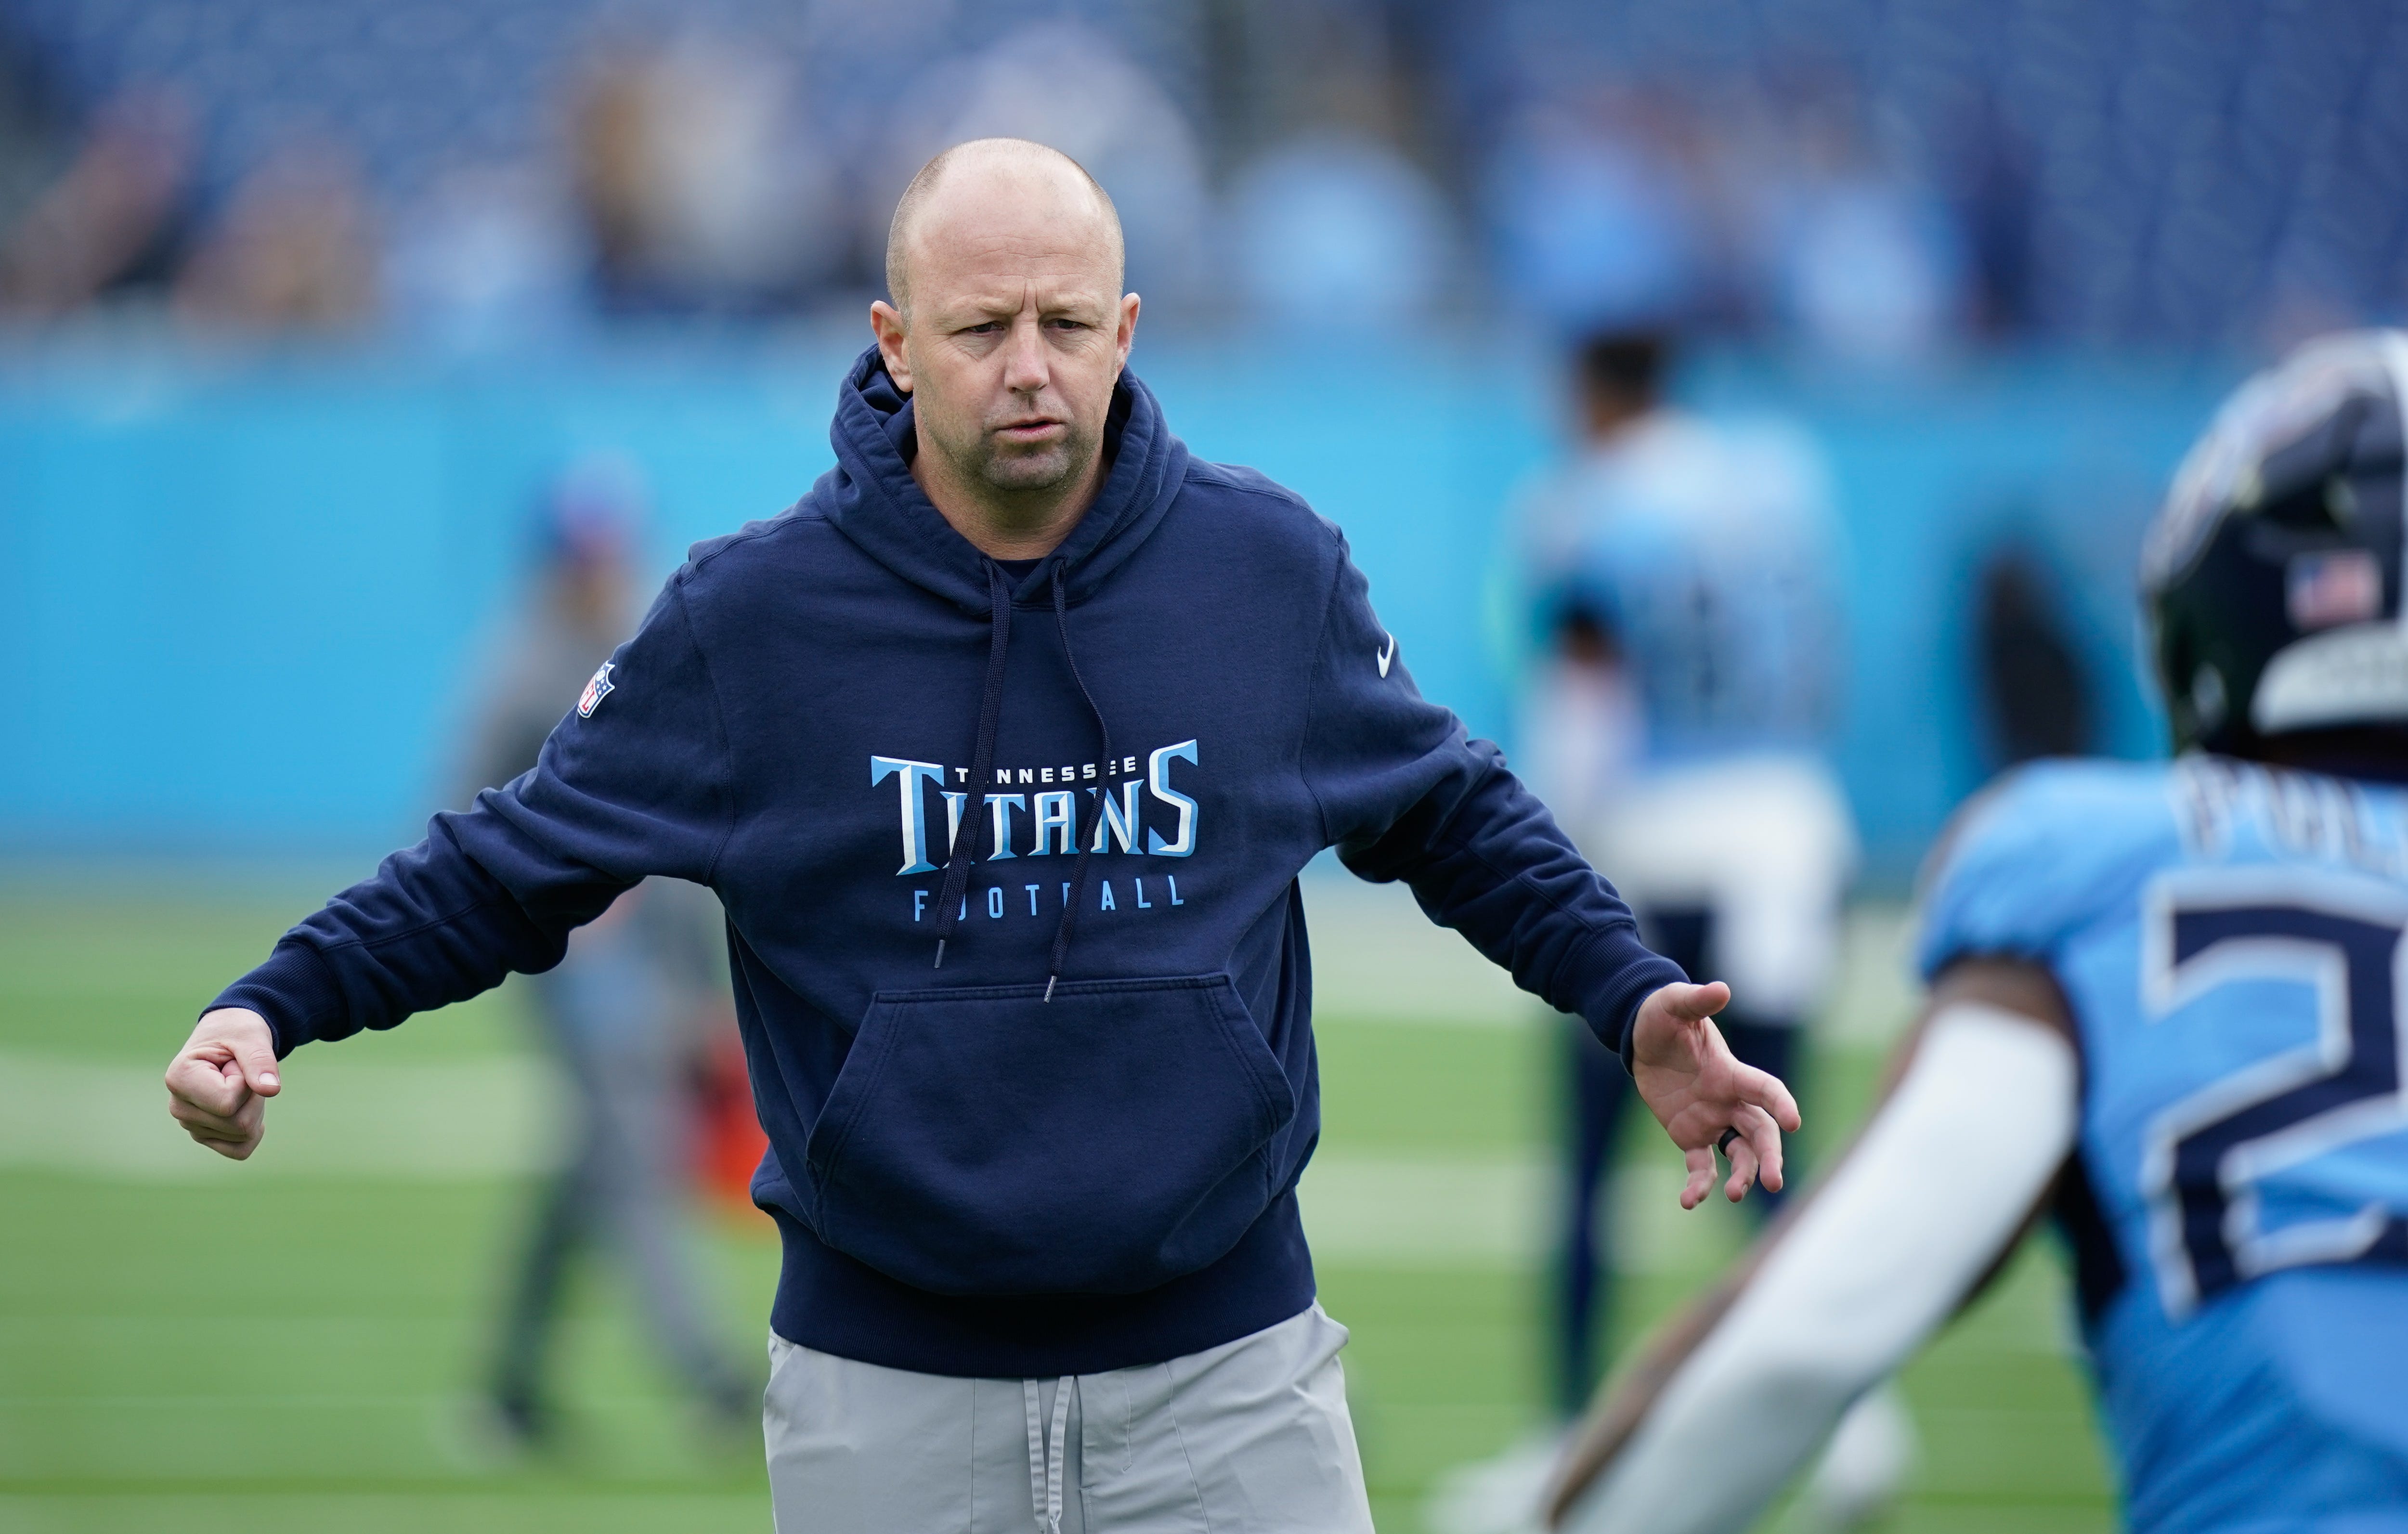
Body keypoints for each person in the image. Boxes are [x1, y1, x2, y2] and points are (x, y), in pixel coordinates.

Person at [162, 138, 1799, 1534]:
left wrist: (1627, 990)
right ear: (892, 341)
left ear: (1128, 329)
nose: (1031, 365)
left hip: (1231, 1387)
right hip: (887, 1402)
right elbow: (508, 864)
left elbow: (1451, 810)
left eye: (1069, 323)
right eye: (983, 326)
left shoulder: (1263, 573)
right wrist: (275, 999)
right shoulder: (754, 622)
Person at [1546, 328, 2408, 1534]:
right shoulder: (1764, 481)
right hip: (1779, 827)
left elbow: (1799, 1341)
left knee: (1661, 1148)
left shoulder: (2097, 865)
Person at [1436, 331, 1880, 1534]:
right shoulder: (1776, 478)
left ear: (1589, 394)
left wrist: (1551, 867)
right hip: (1789, 828)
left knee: (1590, 1159)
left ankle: (1563, 1439)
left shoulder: (1580, 505)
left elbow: (1583, 698)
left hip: (1660, 841)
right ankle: (1853, 1429)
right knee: (1775, 1152)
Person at [462, 456, 754, 1445]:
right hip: (575, 954)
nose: (597, 568)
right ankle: (704, 1370)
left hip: (654, 952)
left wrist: (703, 983)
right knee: (634, 1144)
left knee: (597, 1159)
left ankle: (505, 1386)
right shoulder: (519, 674)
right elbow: (469, 825)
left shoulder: (643, 642)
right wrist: (553, 910)